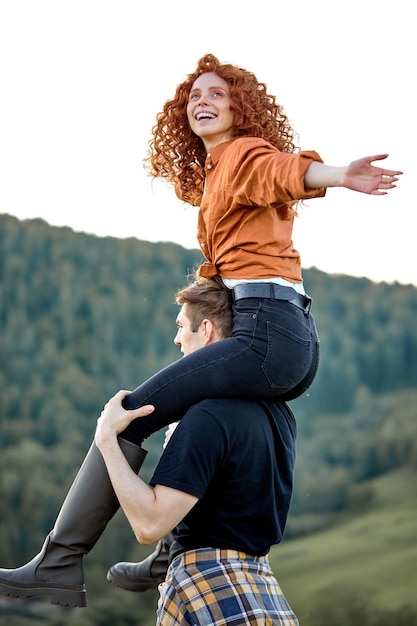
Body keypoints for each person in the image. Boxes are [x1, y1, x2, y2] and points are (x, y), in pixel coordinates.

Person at [0, 52, 403, 604]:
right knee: (207, 414)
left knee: (126, 418)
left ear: (242, 109)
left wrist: (336, 175)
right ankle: (170, 554)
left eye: (217, 94)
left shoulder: (242, 155)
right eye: (194, 97)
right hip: (292, 339)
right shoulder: (219, 183)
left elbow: (280, 170)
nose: (202, 102)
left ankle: (59, 561)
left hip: (265, 333)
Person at [94, 283, 299, 625]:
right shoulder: (279, 414)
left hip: (208, 587)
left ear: (205, 330)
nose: (176, 339)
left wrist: (106, 440)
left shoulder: (208, 415)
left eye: (179, 326)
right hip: (264, 592)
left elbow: (149, 524)